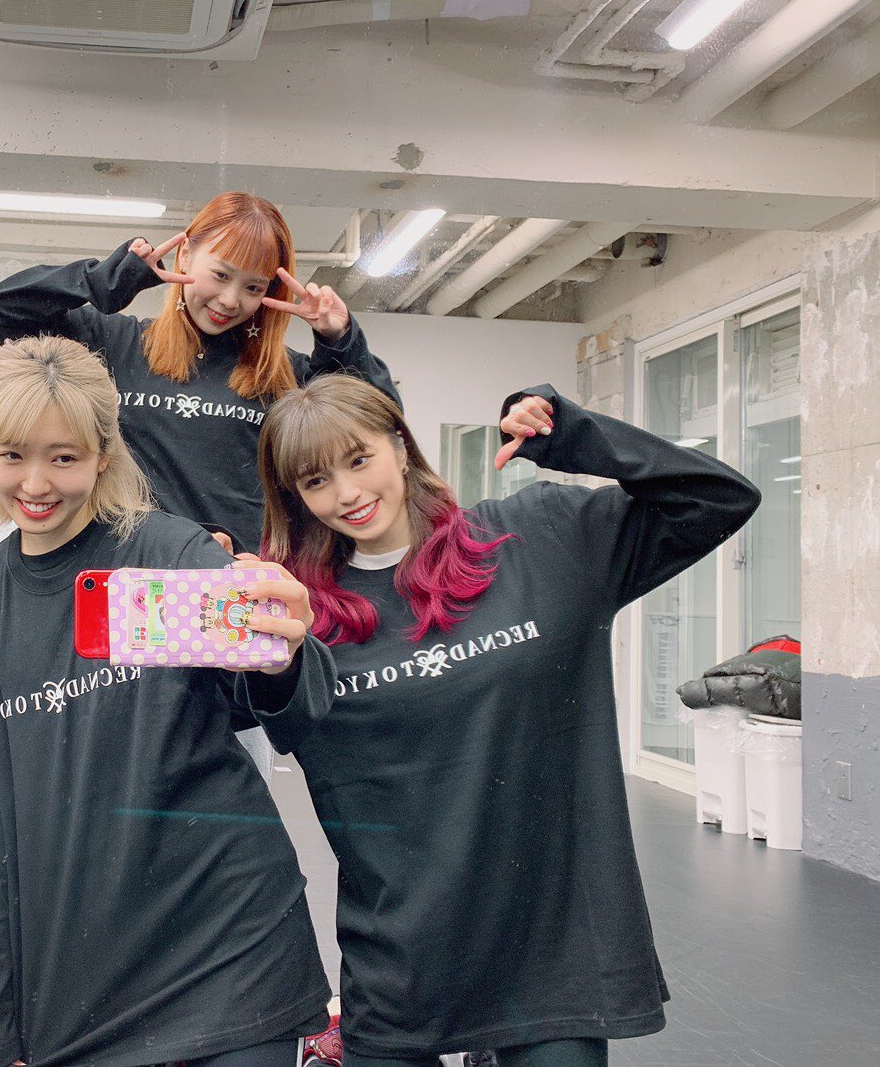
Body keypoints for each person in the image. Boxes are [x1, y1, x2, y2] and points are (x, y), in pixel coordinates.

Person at [255, 376, 761, 1067]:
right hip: (401, 956)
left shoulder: (538, 538)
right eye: (316, 480)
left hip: (551, 952)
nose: (347, 492)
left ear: (400, 446)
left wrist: (572, 436)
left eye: (359, 459)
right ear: (295, 497)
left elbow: (720, 497)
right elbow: (272, 726)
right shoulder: (299, 616)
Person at [0, 336, 335, 1067]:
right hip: (78, 979)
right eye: (12, 455)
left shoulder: (170, 555)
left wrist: (283, 653)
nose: (35, 483)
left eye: (64, 457)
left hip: (230, 948)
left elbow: (288, 708)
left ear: (103, 456)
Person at [0, 190, 399, 554]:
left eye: (253, 287)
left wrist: (340, 339)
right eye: (220, 275)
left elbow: (384, 427)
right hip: (123, 580)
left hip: (236, 587)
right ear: (185, 255)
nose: (230, 299)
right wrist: (103, 282)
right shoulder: (112, 345)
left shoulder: (283, 376)